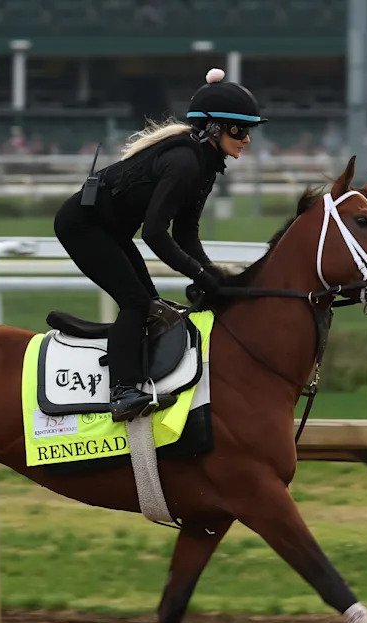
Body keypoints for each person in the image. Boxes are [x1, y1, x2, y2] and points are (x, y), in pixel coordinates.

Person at [53, 68, 267, 422]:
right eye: (239, 129)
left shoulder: (205, 166)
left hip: (110, 230)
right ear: (215, 128)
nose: (246, 139)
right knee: (137, 304)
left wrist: (212, 275)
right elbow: (153, 233)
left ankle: (139, 376)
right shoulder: (184, 162)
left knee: (151, 305)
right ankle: (122, 391)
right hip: (82, 227)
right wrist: (201, 273)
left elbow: (185, 235)